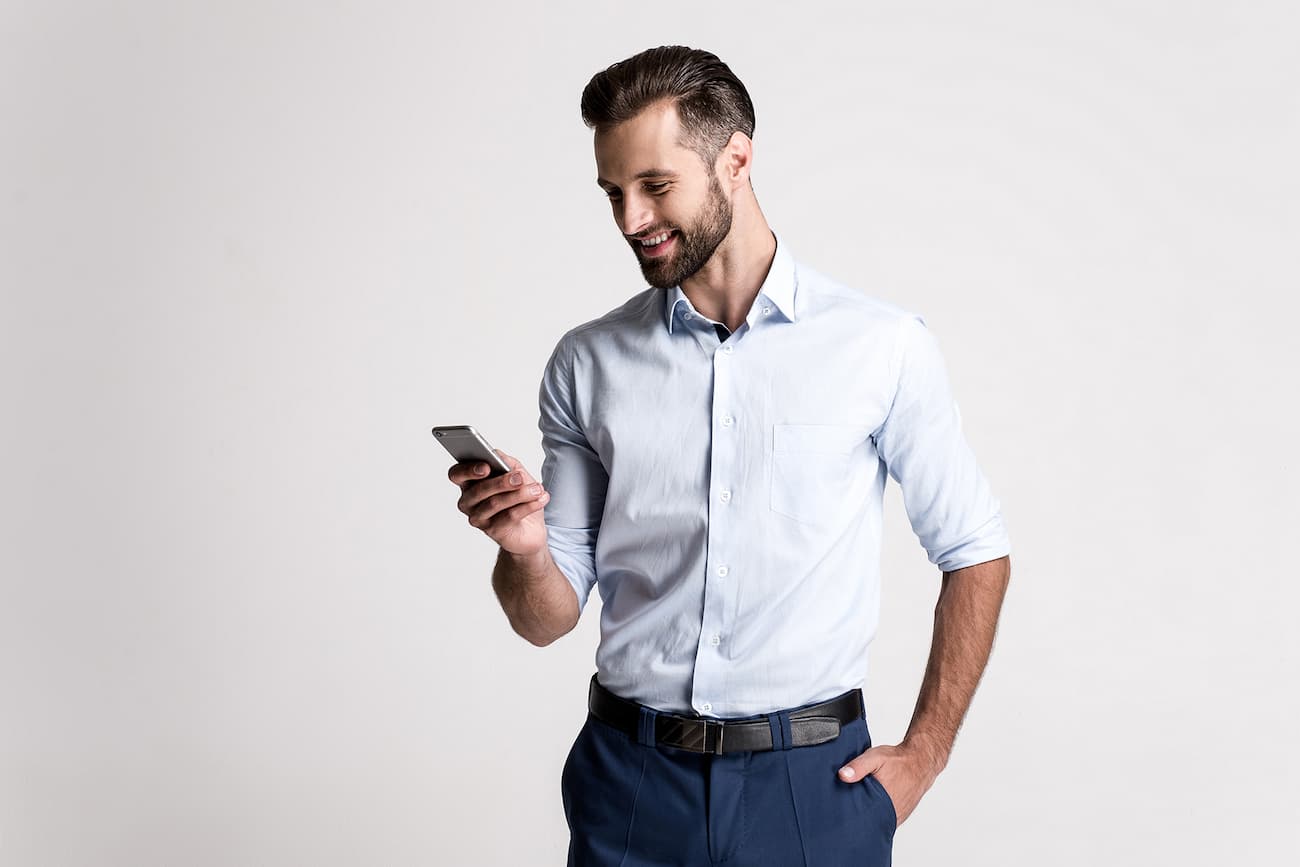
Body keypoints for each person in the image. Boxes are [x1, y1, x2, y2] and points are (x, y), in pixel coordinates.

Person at [447, 45, 1012, 867]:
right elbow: (545, 618)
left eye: (655, 185)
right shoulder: (587, 363)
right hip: (631, 782)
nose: (630, 220)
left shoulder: (879, 347)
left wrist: (925, 753)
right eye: (613, 193)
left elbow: (976, 551)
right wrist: (526, 550)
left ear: (737, 158)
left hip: (813, 786)